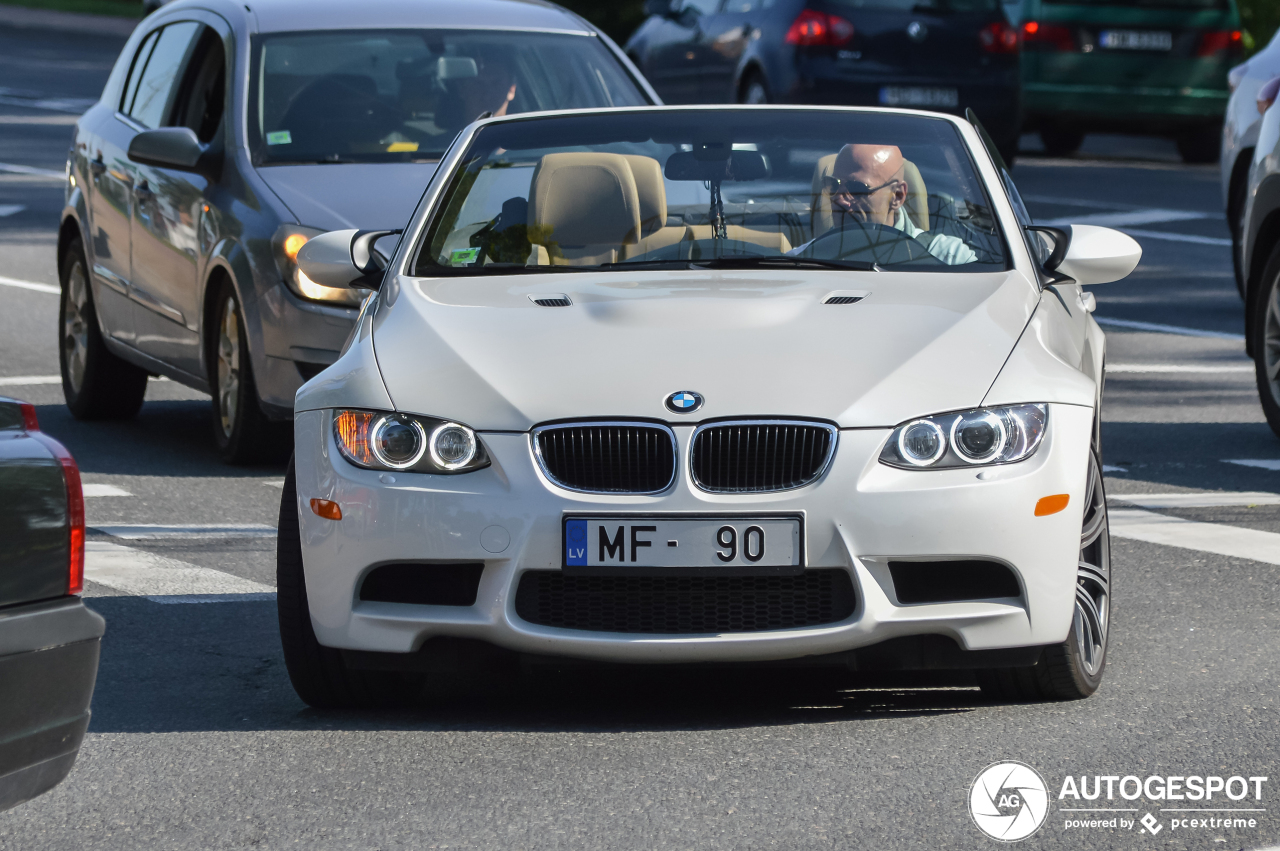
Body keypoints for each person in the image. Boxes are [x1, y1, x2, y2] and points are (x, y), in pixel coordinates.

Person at [810, 143, 976, 266]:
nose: (839, 199)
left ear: (897, 196)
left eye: (856, 188)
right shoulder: (802, 260)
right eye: (833, 185)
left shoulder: (950, 259)